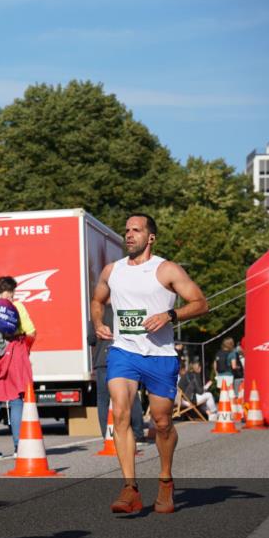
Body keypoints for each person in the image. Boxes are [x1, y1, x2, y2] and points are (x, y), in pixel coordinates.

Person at [91, 213, 208, 515]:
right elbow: (98, 299)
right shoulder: (112, 270)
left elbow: (200, 302)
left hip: (160, 356)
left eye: (136, 230)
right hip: (123, 352)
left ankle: (166, 480)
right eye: (126, 230)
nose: (129, 235)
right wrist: (98, 321)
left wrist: (170, 316)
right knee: (120, 412)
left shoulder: (166, 269)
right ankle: (130, 488)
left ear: (150, 237)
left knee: (162, 423)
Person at [0, 276, 37, 459]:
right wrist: (25, 350)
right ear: (12, 291)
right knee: (17, 400)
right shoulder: (18, 307)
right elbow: (31, 332)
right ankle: (19, 447)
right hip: (14, 354)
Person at [90, 306, 145, 442]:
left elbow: (91, 339)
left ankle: (108, 435)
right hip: (125, 358)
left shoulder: (98, 314)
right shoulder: (126, 307)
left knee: (103, 399)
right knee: (131, 396)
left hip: (102, 360)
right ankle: (137, 433)